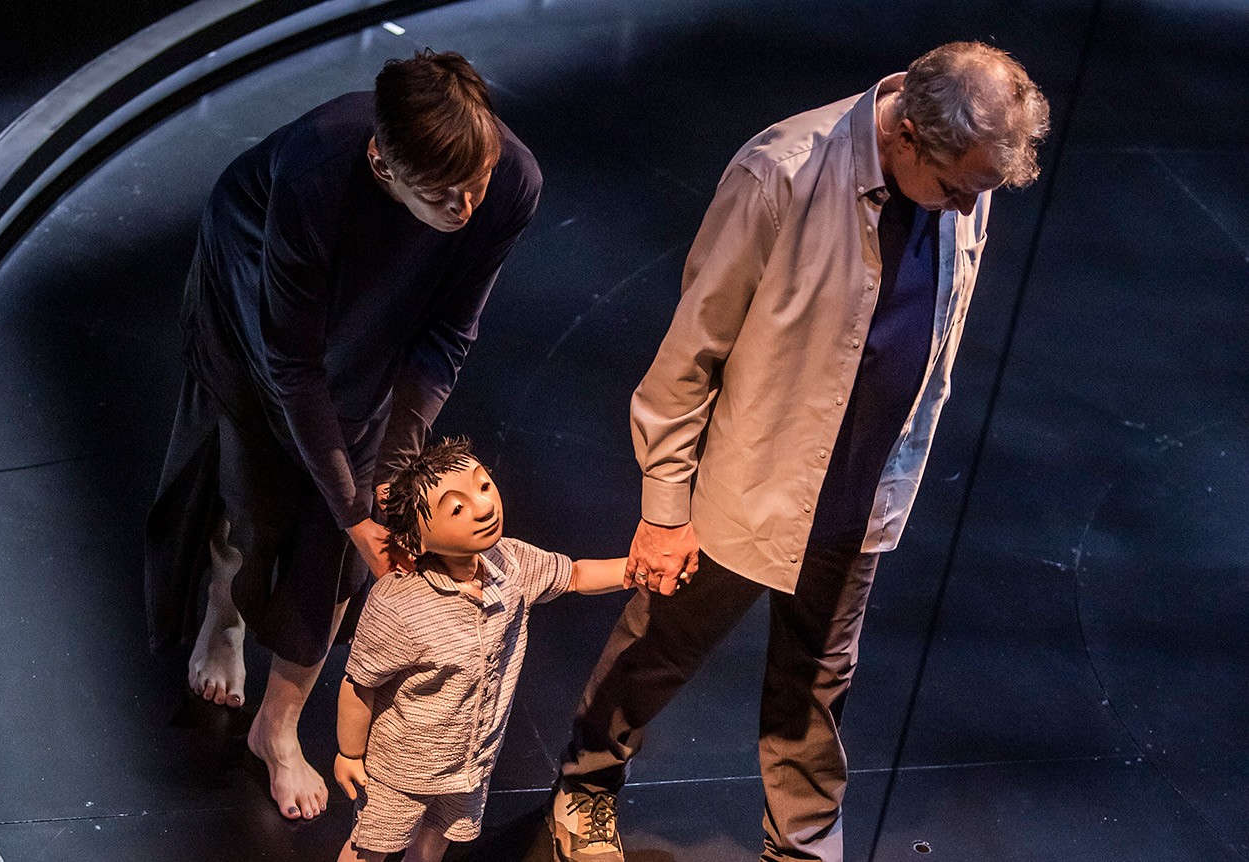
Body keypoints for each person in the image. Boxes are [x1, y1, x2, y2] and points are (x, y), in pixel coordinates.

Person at [548, 42, 1050, 862]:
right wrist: (665, 511)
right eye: (958, 189)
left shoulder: (967, 185)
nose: (966, 211)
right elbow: (690, 354)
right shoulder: (780, 172)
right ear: (908, 138)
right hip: (753, 486)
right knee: (662, 644)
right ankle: (585, 782)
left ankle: (805, 843)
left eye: (980, 193)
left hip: (861, 492)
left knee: (818, 685)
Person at [144, 51, 542, 821]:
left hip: (383, 291)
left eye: (476, 182)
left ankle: (277, 727)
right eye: (443, 193)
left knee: (345, 550)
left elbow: (447, 336)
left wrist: (383, 482)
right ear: (383, 165)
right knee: (256, 484)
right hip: (258, 270)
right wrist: (352, 507)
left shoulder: (510, 183)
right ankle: (223, 615)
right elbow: (291, 365)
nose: (465, 207)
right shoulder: (316, 169)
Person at [332, 438, 640, 862]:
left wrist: (638, 569)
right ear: (418, 540)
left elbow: (575, 574)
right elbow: (359, 683)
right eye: (456, 508)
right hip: (403, 770)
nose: (482, 506)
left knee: (437, 837)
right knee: (371, 846)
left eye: (483, 485)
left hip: (471, 763)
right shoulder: (397, 603)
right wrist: (350, 752)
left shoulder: (511, 563)